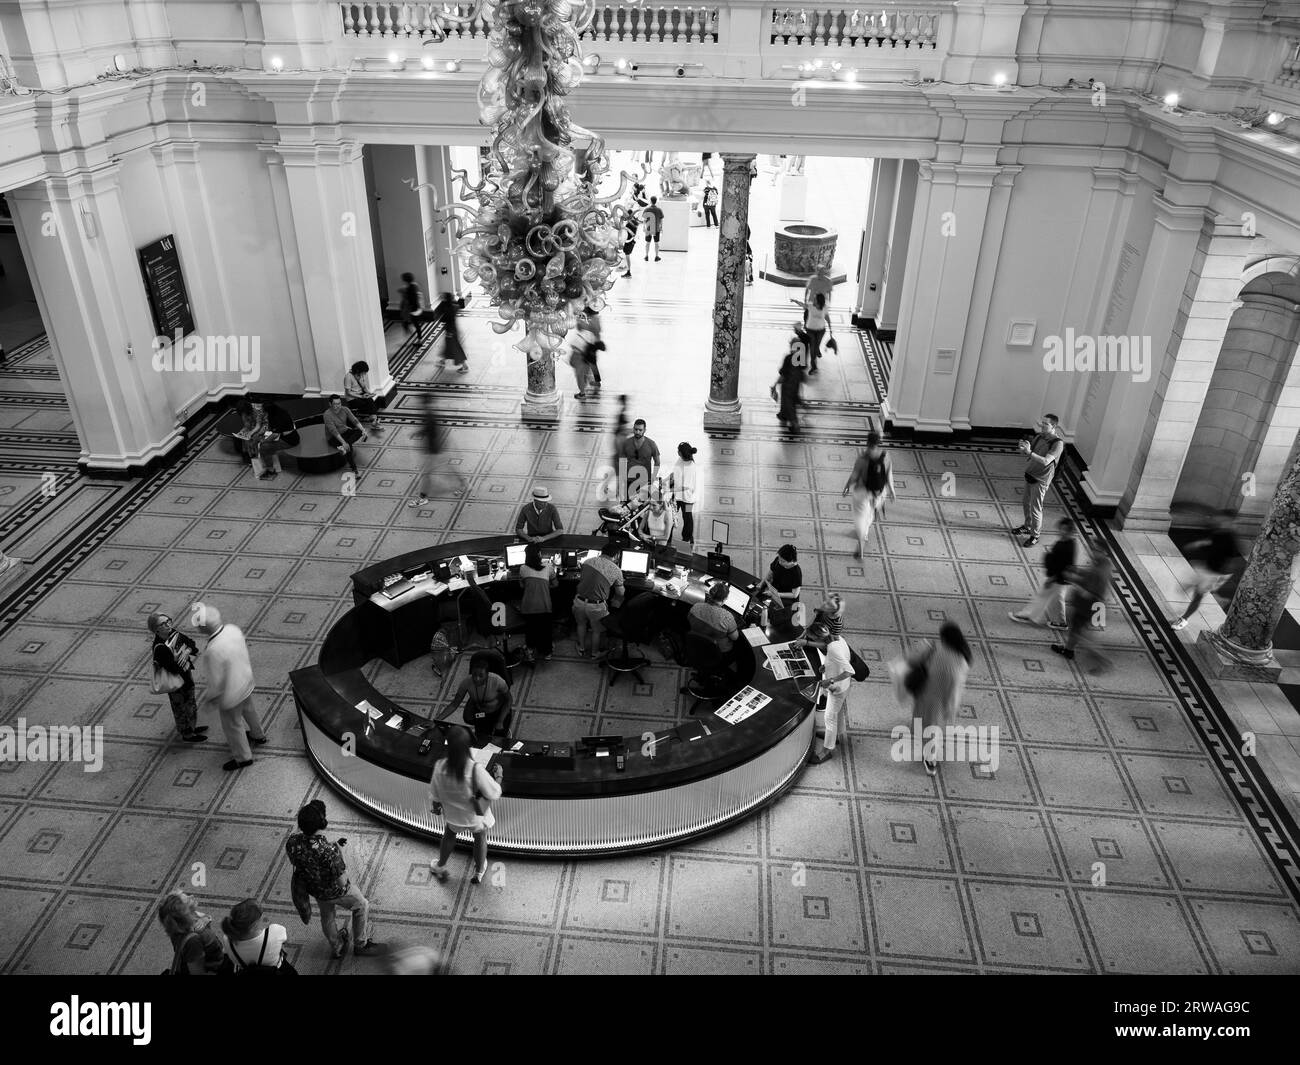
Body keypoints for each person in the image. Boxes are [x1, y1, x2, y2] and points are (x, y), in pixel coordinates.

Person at [285, 799, 384, 959]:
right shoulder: (329, 851)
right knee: (362, 905)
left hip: (315, 889)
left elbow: (307, 855)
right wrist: (338, 854)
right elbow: (342, 882)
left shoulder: (293, 842)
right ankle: (361, 944)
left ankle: (337, 946)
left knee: (327, 916)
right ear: (322, 822)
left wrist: (332, 846)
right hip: (335, 891)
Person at [194, 602, 267, 771]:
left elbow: (216, 681)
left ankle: (243, 758)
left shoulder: (213, 650)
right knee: (249, 710)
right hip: (245, 680)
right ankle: (259, 735)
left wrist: (210, 699)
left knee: (232, 725)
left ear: (204, 628)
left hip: (231, 694)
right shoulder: (233, 629)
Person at [428, 726, 505, 886]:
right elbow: (494, 793)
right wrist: (499, 776)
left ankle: (440, 865)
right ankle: (479, 870)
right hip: (475, 816)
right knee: (480, 838)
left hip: (453, 816)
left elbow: (435, 794)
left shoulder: (440, 766)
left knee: (448, 836)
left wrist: (436, 806)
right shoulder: (475, 769)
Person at [908, 622, 973, 775]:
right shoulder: (963, 659)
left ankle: (930, 760)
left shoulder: (935, 649)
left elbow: (913, 660)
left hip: (927, 694)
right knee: (934, 725)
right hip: (944, 698)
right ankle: (929, 756)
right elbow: (958, 686)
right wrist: (953, 706)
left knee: (930, 727)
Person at [1171, 511, 1241, 630]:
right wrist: (1199, 544)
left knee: (1198, 596)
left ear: (1229, 521)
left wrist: (1219, 577)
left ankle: (1184, 619)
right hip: (1206, 568)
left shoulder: (1231, 538)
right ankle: (1216, 595)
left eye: (1222, 519)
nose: (1217, 520)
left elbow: (1233, 560)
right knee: (1185, 587)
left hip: (1215, 573)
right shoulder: (1219, 532)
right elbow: (1213, 543)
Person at [148, 612, 207, 743]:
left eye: (168, 620)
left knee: (190, 703)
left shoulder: (174, 633)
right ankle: (187, 734)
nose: (168, 624)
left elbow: (191, 643)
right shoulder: (160, 648)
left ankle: (192, 726)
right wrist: (177, 657)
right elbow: (172, 669)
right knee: (180, 707)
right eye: (163, 623)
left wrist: (186, 651)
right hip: (175, 682)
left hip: (186, 675)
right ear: (156, 629)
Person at [1053, 549, 1114, 673]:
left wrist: (1072, 578)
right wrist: (1077, 571)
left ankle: (1104, 662)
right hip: (1095, 606)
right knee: (1076, 630)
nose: (1092, 552)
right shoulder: (1104, 563)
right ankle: (1069, 651)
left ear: (1104, 551)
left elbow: (1088, 589)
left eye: (1096, 550)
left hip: (1088, 606)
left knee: (1083, 637)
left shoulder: (1099, 570)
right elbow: (1090, 576)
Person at [804, 621, 855, 765]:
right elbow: (843, 658)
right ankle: (836, 736)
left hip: (838, 688)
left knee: (829, 718)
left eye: (813, 639)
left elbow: (850, 670)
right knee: (837, 713)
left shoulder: (832, 649)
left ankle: (826, 751)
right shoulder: (838, 639)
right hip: (844, 685)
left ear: (819, 638)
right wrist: (826, 666)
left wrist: (831, 680)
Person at [1010, 517, 1076, 627]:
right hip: (1061, 578)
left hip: (1058, 578)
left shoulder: (1066, 547)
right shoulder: (1068, 543)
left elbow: (1063, 566)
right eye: (1061, 529)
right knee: (1056, 599)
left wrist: (1052, 578)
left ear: (1070, 531)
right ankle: (1060, 622)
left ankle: (1029, 615)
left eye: (1065, 530)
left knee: (1046, 597)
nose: (1061, 532)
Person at [1012, 413, 1064, 547]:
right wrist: (1023, 448)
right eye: (1042, 423)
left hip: (1041, 479)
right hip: (1031, 473)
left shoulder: (1057, 444)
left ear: (1054, 426)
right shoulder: (1039, 437)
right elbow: (1029, 453)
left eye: (1046, 424)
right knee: (1025, 502)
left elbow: (1046, 461)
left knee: (1036, 508)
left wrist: (1029, 452)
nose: (1042, 426)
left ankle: (1035, 535)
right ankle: (1027, 526)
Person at [842, 431, 896, 559]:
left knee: (859, 516)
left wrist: (846, 486)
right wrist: (892, 491)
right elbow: (889, 475)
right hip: (880, 493)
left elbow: (854, 476)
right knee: (870, 514)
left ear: (867, 442)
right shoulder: (886, 456)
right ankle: (864, 534)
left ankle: (861, 539)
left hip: (862, 493)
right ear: (878, 443)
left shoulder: (863, 459)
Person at [408, 394, 466, 507]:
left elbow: (432, 431)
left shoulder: (430, 416)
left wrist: (419, 434)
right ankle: (464, 484)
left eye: (421, 404)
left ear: (425, 404)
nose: (419, 406)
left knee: (426, 474)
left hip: (434, 450)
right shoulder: (431, 414)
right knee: (447, 468)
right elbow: (433, 430)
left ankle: (423, 498)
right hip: (437, 449)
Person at [572, 540, 625, 658]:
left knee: (581, 625)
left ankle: (581, 648)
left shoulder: (587, 561)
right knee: (596, 630)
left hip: (579, 602)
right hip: (596, 606)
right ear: (616, 555)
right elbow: (620, 592)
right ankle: (594, 653)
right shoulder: (616, 569)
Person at [443, 656, 513, 743]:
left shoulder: (497, 681)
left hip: (499, 712)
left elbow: (509, 700)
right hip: (482, 713)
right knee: (481, 741)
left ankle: (505, 730)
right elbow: (454, 704)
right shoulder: (466, 682)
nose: (477, 679)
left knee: (499, 741)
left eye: (481, 675)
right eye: (474, 675)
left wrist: (500, 721)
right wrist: (437, 720)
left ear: (487, 674)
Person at [158, 891, 229, 975]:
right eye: (188, 900)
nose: (192, 896)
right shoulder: (193, 941)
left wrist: (206, 919)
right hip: (214, 967)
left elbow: (207, 918)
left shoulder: (182, 923)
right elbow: (197, 972)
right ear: (185, 914)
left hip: (215, 955)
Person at [222, 899, 295, 974]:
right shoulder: (274, 932)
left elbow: (226, 953)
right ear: (253, 926)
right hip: (277, 971)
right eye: (260, 917)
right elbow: (286, 940)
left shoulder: (227, 939)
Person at [519, 542, 557, 662]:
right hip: (544, 606)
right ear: (539, 554)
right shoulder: (549, 567)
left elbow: (522, 585)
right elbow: (555, 584)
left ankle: (530, 651)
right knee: (545, 630)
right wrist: (545, 587)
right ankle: (547, 653)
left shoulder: (522, 568)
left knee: (531, 629)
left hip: (528, 607)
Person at [689, 582, 739, 659]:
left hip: (695, 645)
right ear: (724, 599)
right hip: (716, 652)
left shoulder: (696, 606)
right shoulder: (727, 617)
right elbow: (735, 638)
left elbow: (689, 621)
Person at [323, 394, 367, 476]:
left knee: (359, 432)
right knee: (348, 447)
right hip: (333, 437)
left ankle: (344, 447)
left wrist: (363, 430)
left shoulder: (345, 409)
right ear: (330, 404)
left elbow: (354, 420)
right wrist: (344, 442)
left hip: (345, 431)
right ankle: (354, 470)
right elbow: (334, 431)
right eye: (335, 404)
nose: (338, 406)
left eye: (339, 403)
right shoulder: (327, 415)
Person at [617, 419, 661, 502]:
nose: (637, 432)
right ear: (633, 429)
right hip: (629, 480)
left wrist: (653, 476)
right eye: (636, 429)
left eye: (640, 430)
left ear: (644, 430)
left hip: (644, 482)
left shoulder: (651, 444)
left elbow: (657, 462)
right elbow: (622, 461)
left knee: (642, 507)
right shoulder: (626, 443)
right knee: (627, 505)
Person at [668, 442, 699, 545]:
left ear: (682, 453)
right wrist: (671, 476)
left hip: (688, 499)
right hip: (676, 497)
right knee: (671, 516)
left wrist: (670, 490)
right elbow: (677, 470)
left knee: (687, 517)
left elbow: (686, 486)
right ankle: (668, 537)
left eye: (678, 451)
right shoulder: (680, 459)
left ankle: (687, 538)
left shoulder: (691, 466)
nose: (677, 452)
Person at [762, 544, 803, 621]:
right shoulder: (778, 560)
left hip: (787, 598)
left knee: (775, 616)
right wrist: (761, 583)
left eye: (783, 561)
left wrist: (776, 594)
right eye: (779, 558)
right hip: (775, 590)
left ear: (792, 561)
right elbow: (770, 573)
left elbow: (794, 595)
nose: (780, 562)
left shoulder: (796, 573)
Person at [776, 334, 807, 431]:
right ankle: (783, 415)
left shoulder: (788, 358)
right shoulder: (801, 358)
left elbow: (783, 372)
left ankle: (794, 422)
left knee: (788, 401)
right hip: (796, 383)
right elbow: (803, 368)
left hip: (787, 383)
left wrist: (776, 383)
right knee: (792, 400)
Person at [800, 292, 832, 376]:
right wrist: (795, 301)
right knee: (812, 348)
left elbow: (827, 318)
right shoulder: (810, 306)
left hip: (821, 331)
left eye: (815, 299)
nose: (813, 299)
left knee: (815, 347)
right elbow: (802, 305)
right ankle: (813, 366)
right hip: (810, 330)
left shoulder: (824, 308)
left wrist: (831, 329)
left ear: (818, 301)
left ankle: (815, 358)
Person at [235, 399, 270, 478]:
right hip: (253, 426)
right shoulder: (243, 413)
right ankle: (250, 456)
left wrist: (250, 433)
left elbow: (258, 426)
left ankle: (257, 457)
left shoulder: (257, 411)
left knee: (255, 437)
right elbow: (246, 425)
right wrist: (242, 431)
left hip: (263, 426)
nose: (242, 415)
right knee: (245, 438)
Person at [435, 293, 469, 373]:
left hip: (450, 331)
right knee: (449, 347)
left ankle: (465, 366)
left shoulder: (448, 310)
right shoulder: (454, 307)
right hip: (453, 329)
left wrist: (449, 332)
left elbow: (443, 319)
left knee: (455, 349)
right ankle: (442, 361)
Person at [343, 361, 383, 428]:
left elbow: (364, 387)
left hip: (361, 394)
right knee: (366, 404)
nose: (364, 374)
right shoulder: (348, 377)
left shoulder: (360, 375)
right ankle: (372, 420)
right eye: (363, 372)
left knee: (370, 400)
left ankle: (374, 421)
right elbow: (348, 392)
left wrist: (370, 393)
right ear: (358, 370)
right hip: (352, 398)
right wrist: (361, 396)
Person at [398, 271, 425, 343]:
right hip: (416, 308)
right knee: (412, 323)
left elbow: (411, 299)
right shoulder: (414, 285)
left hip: (413, 309)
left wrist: (410, 308)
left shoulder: (410, 288)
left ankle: (419, 339)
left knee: (414, 324)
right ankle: (417, 337)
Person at [642, 196, 664, 262]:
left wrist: (644, 227)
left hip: (648, 228)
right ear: (656, 201)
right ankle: (656, 257)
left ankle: (646, 256)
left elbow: (644, 219)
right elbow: (661, 220)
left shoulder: (646, 209)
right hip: (656, 228)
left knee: (647, 243)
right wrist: (661, 227)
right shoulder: (659, 210)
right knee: (656, 243)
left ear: (650, 201)